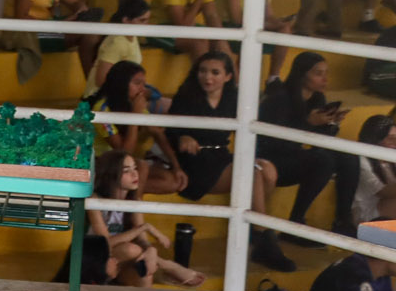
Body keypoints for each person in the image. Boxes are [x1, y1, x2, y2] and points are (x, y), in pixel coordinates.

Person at [254, 51, 345, 270]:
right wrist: (308, 123)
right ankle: (289, 226)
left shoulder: (317, 99)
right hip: (269, 160)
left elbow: (319, 141)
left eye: (326, 73)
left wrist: (331, 124)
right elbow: (272, 143)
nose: (324, 79)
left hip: (291, 157)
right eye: (318, 73)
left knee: (347, 159)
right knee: (322, 160)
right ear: (302, 74)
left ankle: (342, 221)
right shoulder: (279, 99)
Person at [167, 50, 276, 212]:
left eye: (215, 72)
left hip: (220, 156)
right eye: (202, 71)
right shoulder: (185, 96)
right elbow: (168, 131)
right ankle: (259, 225)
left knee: (268, 169)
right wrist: (182, 137)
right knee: (252, 172)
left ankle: (251, 221)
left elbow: (248, 131)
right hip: (194, 162)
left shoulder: (234, 99)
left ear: (228, 76)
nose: (207, 77)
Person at [87, 150, 206, 287]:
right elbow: (105, 243)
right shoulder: (96, 200)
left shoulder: (134, 201)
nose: (135, 174)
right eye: (126, 171)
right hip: (97, 261)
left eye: (135, 168)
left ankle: (157, 277)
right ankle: (168, 266)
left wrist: (151, 251)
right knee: (131, 250)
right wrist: (144, 227)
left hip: (122, 264)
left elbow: (142, 240)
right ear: (111, 174)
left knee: (146, 268)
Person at [92, 60, 187, 196]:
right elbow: (124, 152)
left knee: (171, 181)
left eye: (144, 84)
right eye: (137, 83)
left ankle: (128, 196)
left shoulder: (132, 103)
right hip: (100, 164)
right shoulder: (102, 109)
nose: (143, 89)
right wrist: (135, 116)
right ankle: (133, 204)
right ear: (121, 84)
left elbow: (156, 132)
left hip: (123, 166)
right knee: (141, 166)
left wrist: (177, 167)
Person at [216, 0, 293, 86]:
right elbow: (236, 19)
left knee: (285, 29)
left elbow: (269, 16)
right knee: (251, 36)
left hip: (250, 27)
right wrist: (267, 25)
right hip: (227, 27)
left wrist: (281, 22)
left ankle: (273, 78)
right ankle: (238, 85)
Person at [91, 0, 151, 91]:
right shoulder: (116, 43)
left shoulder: (132, 36)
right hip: (105, 96)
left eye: (147, 20)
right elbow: (100, 81)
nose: (146, 25)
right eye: (142, 20)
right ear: (126, 20)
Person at [349, 115, 396, 235]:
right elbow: (382, 192)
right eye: (390, 138)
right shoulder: (361, 159)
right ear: (376, 139)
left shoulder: (392, 157)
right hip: (365, 212)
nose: (395, 142)